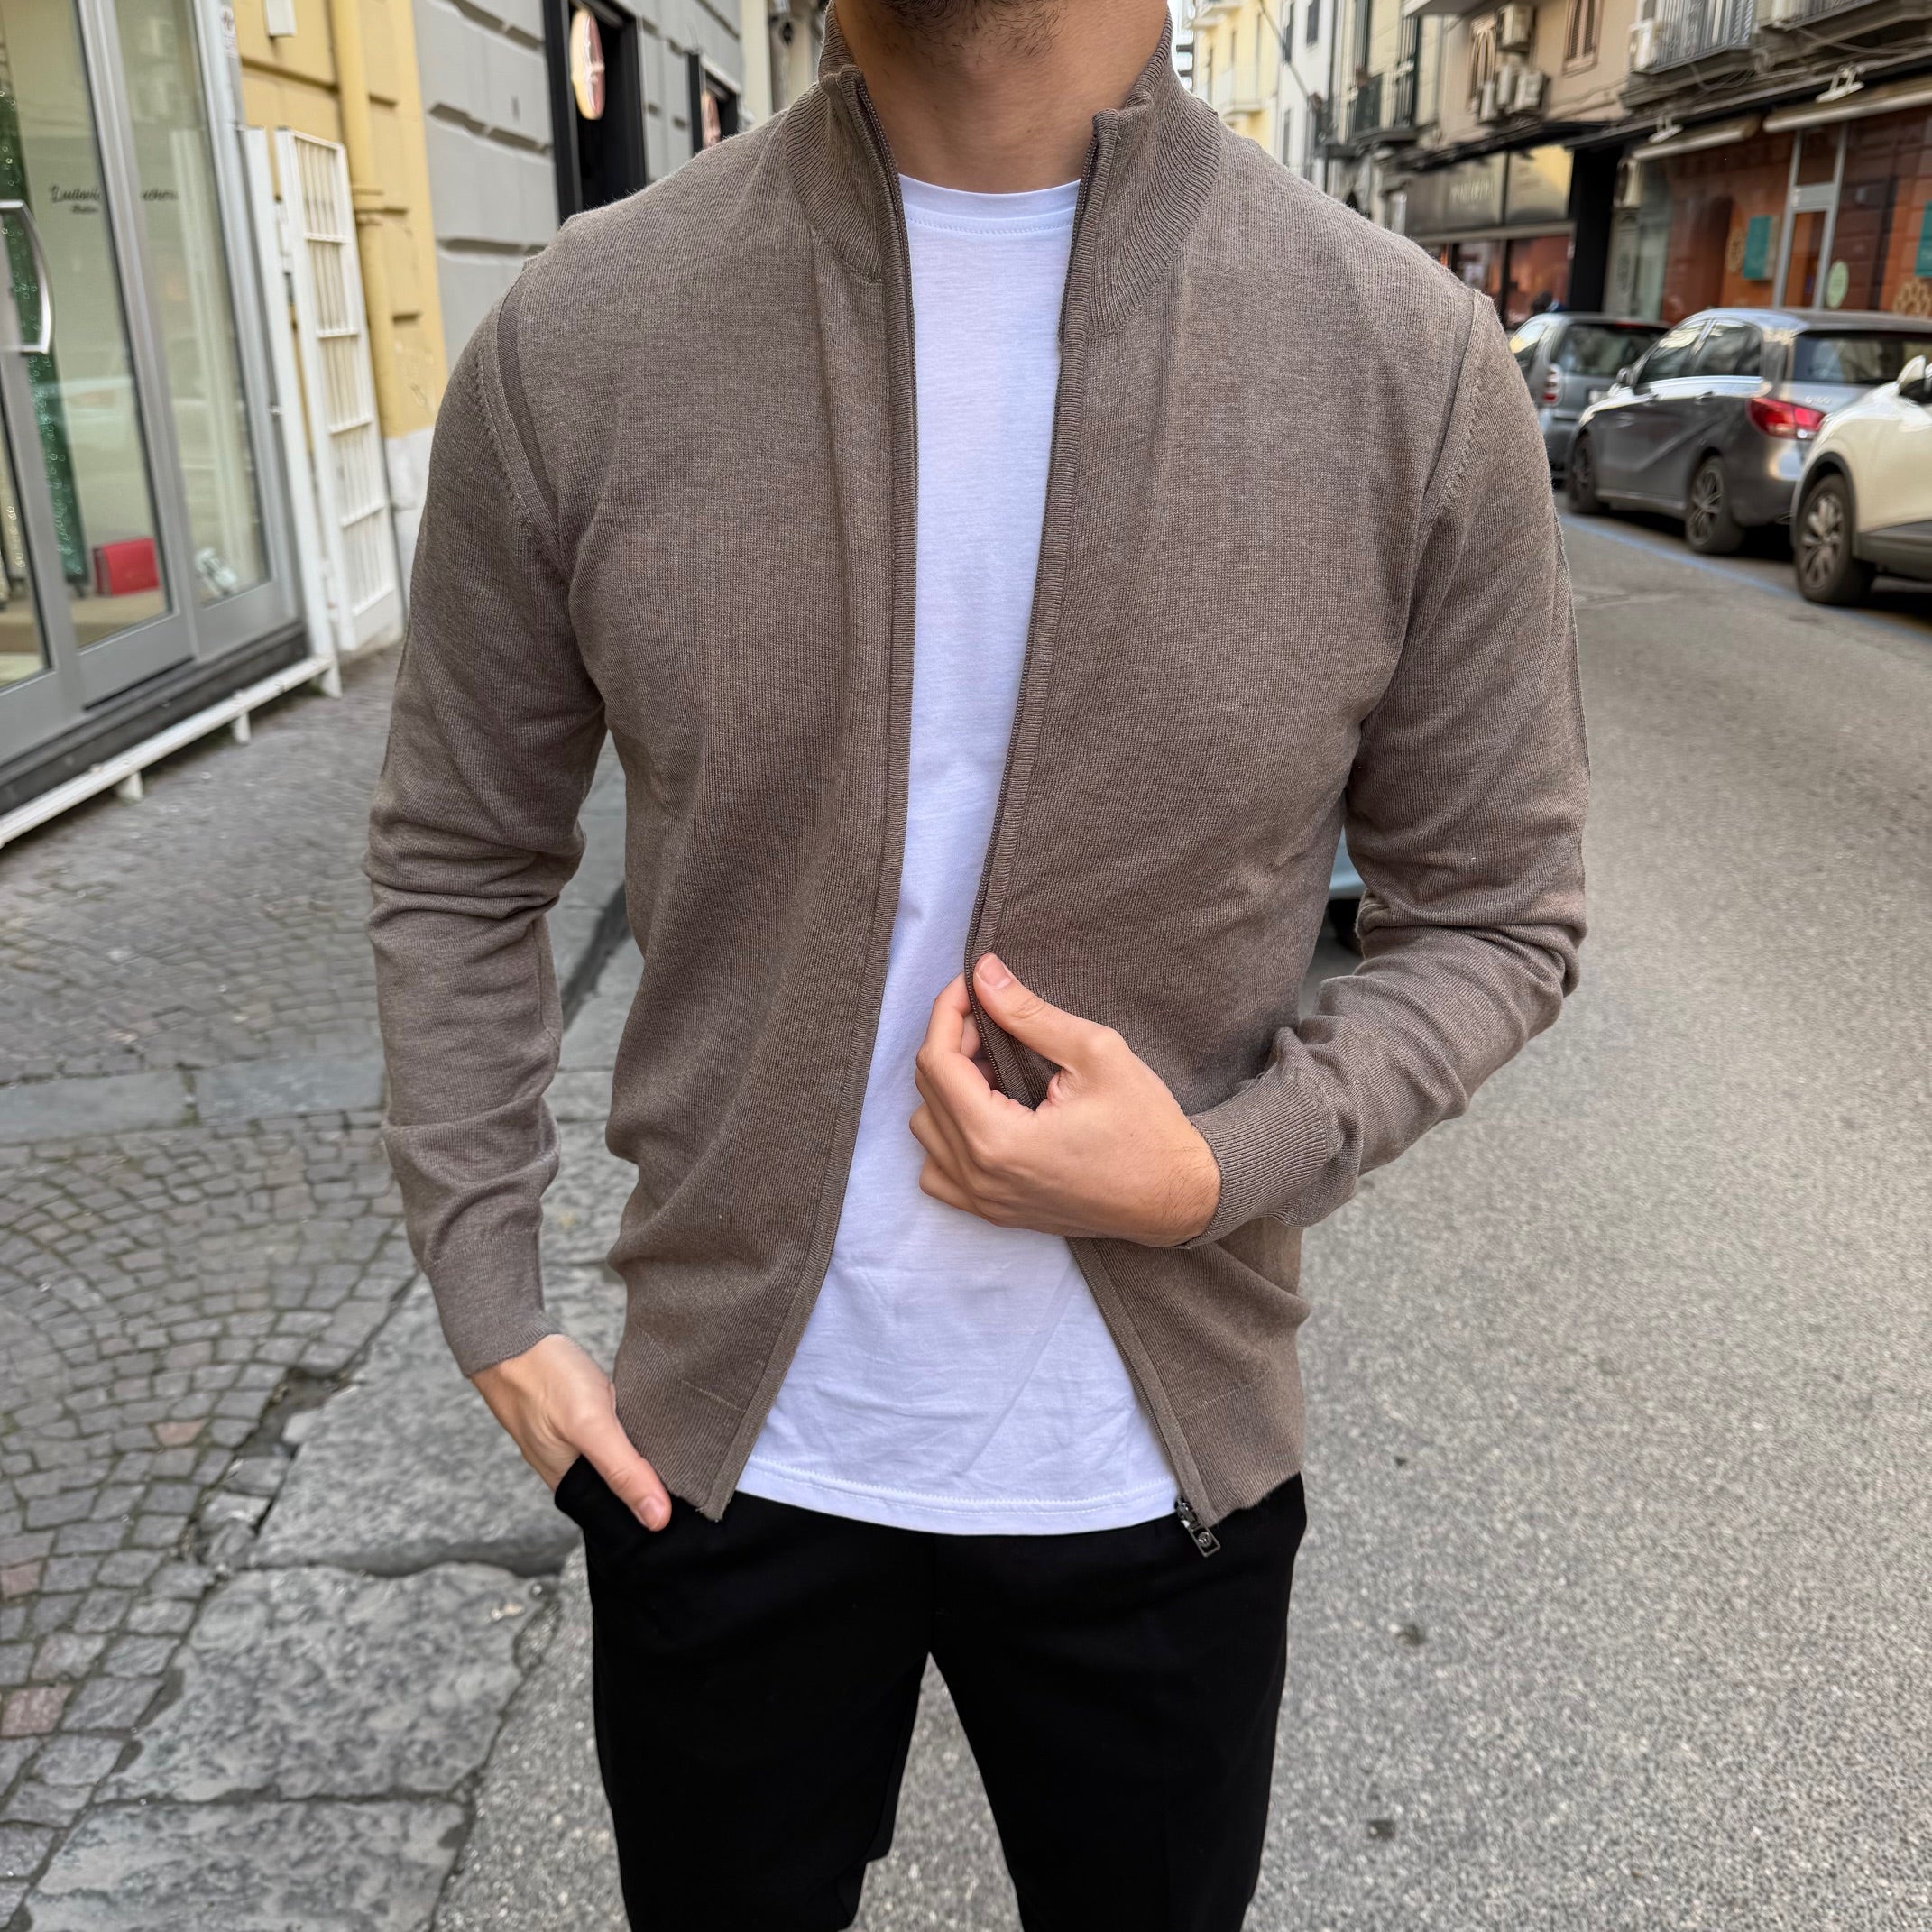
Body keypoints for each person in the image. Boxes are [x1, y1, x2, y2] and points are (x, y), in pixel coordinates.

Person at [363, 0, 1588, 1921]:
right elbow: (456, 853)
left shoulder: (1401, 362)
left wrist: (1220, 1167)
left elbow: (1503, 908)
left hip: (1159, 1482)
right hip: (720, 1465)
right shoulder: (586, 334)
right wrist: (488, 1294)